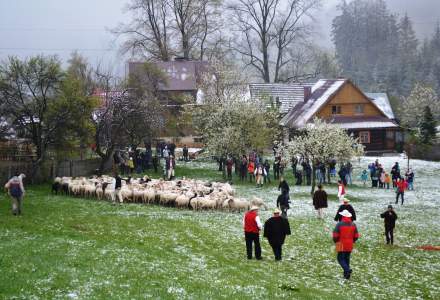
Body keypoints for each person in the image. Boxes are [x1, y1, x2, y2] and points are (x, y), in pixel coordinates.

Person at [333, 209, 360, 279]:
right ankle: (347, 275)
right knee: (346, 259)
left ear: (342, 216)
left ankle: (347, 270)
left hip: (340, 243)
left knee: (340, 258)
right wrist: (352, 241)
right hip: (350, 244)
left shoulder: (339, 224)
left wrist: (336, 241)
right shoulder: (353, 224)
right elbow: (356, 236)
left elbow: (335, 235)